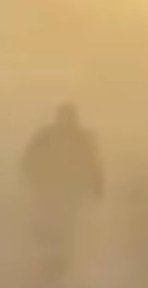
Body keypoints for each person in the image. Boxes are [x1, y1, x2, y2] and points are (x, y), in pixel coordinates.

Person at [20, 103, 104, 276]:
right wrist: (33, 179)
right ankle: (48, 260)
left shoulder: (80, 139)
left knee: (65, 226)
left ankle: (57, 262)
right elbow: (29, 159)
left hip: (68, 191)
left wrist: (97, 185)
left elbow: (93, 163)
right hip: (50, 190)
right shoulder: (47, 136)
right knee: (50, 224)